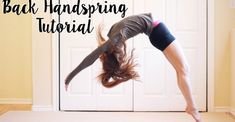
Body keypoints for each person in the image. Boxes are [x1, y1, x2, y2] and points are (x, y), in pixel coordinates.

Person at [65, 13, 202, 122]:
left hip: (156, 33)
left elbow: (95, 56)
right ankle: (192, 107)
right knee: (184, 69)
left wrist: (70, 77)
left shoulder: (112, 36)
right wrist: (70, 77)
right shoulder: (113, 40)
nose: (122, 53)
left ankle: (191, 106)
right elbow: (90, 59)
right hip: (158, 32)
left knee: (181, 70)